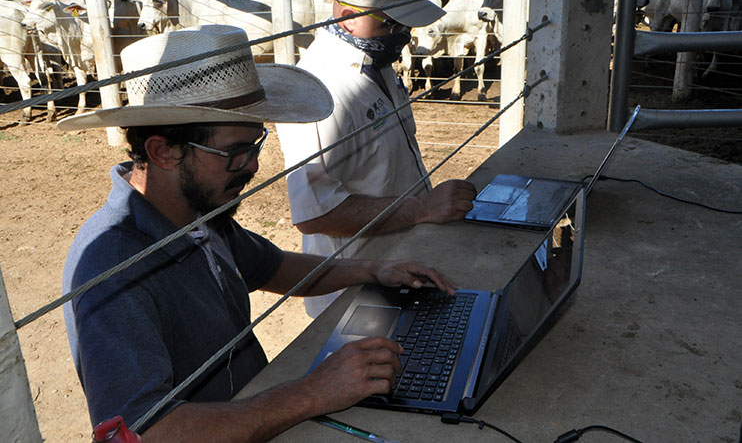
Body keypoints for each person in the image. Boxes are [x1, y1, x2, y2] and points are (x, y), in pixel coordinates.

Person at [59, 24, 456, 441]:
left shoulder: (197, 214)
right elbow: (147, 432)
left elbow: (274, 267)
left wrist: (373, 270)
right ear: (163, 152)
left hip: (251, 412)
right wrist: (312, 393)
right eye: (235, 152)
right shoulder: (115, 266)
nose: (252, 166)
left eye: (256, 144)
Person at [276, 0, 477, 318]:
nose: (402, 34)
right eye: (391, 24)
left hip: (400, 264)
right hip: (355, 292)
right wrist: (422, 209)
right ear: (349, 18)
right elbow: (315, 214)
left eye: (406, 23)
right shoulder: (321, 92)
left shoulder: (376, 61)